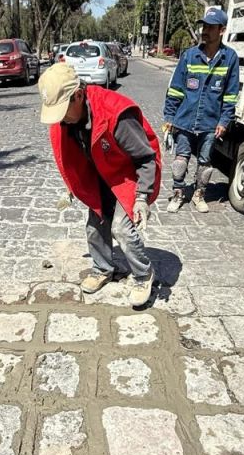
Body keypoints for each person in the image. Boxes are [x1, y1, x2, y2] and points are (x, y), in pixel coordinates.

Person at [38, 62, 162, 308]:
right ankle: (103, 268)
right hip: (101, 173)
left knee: (122, 229)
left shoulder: (116, 114)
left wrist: (141, 197)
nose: (60, 119)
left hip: (130, 175)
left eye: (63, 110)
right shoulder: (68, 120)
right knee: (94, 225)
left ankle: (143, 274)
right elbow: (72, 156)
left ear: (79, 95)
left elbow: (146, 158)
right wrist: (72, 186)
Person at [161, 6, 240, 213]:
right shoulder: (189, 56)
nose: (205, 30)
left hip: (210, 123)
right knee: (180, 161)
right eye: (204, 26)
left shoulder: (230, 58)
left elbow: (230, 96)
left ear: (221, 30)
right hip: (184, 120)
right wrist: (169, 116)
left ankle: (199, 195)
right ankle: (178, 194)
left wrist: (224, 121)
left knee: (205, 163)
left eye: (210, 27)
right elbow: (176, 89)